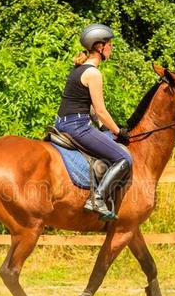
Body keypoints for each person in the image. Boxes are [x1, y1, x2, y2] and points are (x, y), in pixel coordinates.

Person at [55, 23, 132, 220]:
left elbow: (90, 110)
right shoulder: (94, 73)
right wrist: (119, 132)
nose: (111, 48)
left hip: (63, 123)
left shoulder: (79, 70)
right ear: (99, 47)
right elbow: (101, 110)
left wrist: (106, 129)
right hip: (78, 127)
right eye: (110, 44)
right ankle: (97, 199)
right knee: (124, 158)